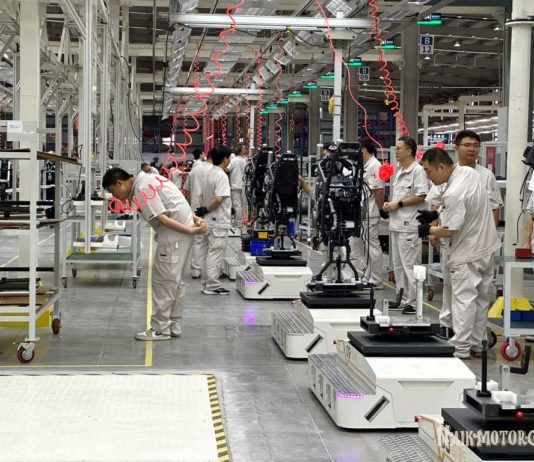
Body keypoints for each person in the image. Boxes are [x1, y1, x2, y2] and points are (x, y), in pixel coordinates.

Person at [102, 167, 207, 341]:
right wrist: (194, 220)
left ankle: (160, 329)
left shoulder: (142, 188)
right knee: (176, 282)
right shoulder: (153, 178)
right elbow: (178, 202)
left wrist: (190, 229)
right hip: (183, 234)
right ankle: (174, 324)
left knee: (164, 283)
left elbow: (162, 218)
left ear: (119, 183)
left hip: (174, 237)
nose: (116, 198)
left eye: (114, 192)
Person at [418, 148, 500, 359]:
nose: (428, 176)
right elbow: (466, 204)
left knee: (464, 299)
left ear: (441, 167)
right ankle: (477, 344)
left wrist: (429, 230)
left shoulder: (453, 193)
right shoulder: (467, 172)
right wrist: (436, 213)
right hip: (486, 247)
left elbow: (450, 230)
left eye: (428, 171)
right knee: (480, 299)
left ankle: (461, 347)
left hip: (467, 251)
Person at [383, 136, 428, 314]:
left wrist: (399, 204)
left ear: (409, 151)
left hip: (409, 225)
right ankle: (402, 299)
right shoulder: (400, 170)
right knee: (399, 265)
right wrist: (390, 204)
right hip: (397, 223)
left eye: (399, 148)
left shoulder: (417, 171)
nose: (396, 151)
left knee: (410, 265)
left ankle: (414, 302)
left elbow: (421, 195)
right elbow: (400, 196)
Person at [195, 146, 232, 295]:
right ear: (225, 159)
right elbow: (218, 199)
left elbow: (201, 196)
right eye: (229, 158)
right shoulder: (221, 176)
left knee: (207, 254)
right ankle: (212, 286)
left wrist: (203, 209)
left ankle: (206, 284)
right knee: (215, 254)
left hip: (208, 220)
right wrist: (208, 209)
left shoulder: (209, 173)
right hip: (218, 221)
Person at [351, 139, 385, 288]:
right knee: (367, 247)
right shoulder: (367, 165)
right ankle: (368, 276)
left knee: (372, 246)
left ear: (363, 150)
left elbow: (379, 190)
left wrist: (381, 208)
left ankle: (376, 279)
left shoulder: (375, 166)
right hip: (365, 211)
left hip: (371, 212)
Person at [183, 151, 213, 278]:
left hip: (195, 209)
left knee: (197, 240)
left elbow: (187, 189)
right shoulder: (216, 172)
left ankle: (196, 270)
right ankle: (211, 271)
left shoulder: (194, 171)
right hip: (212, 209)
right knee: (213, 242)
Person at [227, 144, 247, 228]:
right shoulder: (245, 161)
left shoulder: (234, 161)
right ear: (240, 150)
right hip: (244, 185)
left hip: (235, 186)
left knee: (237, 205)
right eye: (244, 148)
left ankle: (238, 223)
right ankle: (242, 221)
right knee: (243, 205)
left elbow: (227, 169)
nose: (245, 150)